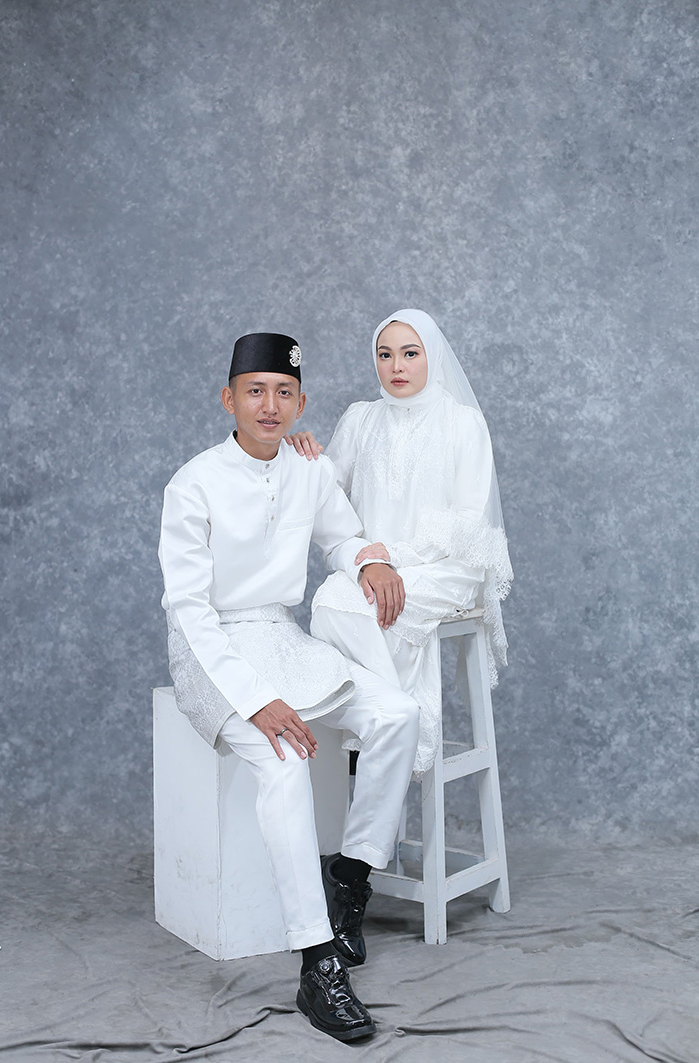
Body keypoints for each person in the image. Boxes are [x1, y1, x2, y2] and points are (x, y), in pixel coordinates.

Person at [158, 332, 419, 1044]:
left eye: (283, 393)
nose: (269, 405)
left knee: (398, 713)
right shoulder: (192, 483)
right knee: (283, 761)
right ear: (229, 399)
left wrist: (367, 562)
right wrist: (253, 700)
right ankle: (316, 961)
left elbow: (341, 535)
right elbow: (188, 611)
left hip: (281, 638)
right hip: (210, 651)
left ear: (300, 403)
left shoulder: (308, 467)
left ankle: (350, 880)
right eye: (255, 391)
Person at [287, 309, 513, 777]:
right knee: (330, 602)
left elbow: (469, 522)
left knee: (374, 610)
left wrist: (397, 555)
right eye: (385, 354)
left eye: (410, 354)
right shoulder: (361, 418)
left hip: (447, 566)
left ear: (433, 356)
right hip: (374, 569)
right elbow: (327, 489)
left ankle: (378, 743)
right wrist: (302, 458)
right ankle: (399, 726)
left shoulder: (463, 422)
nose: (396, 367)